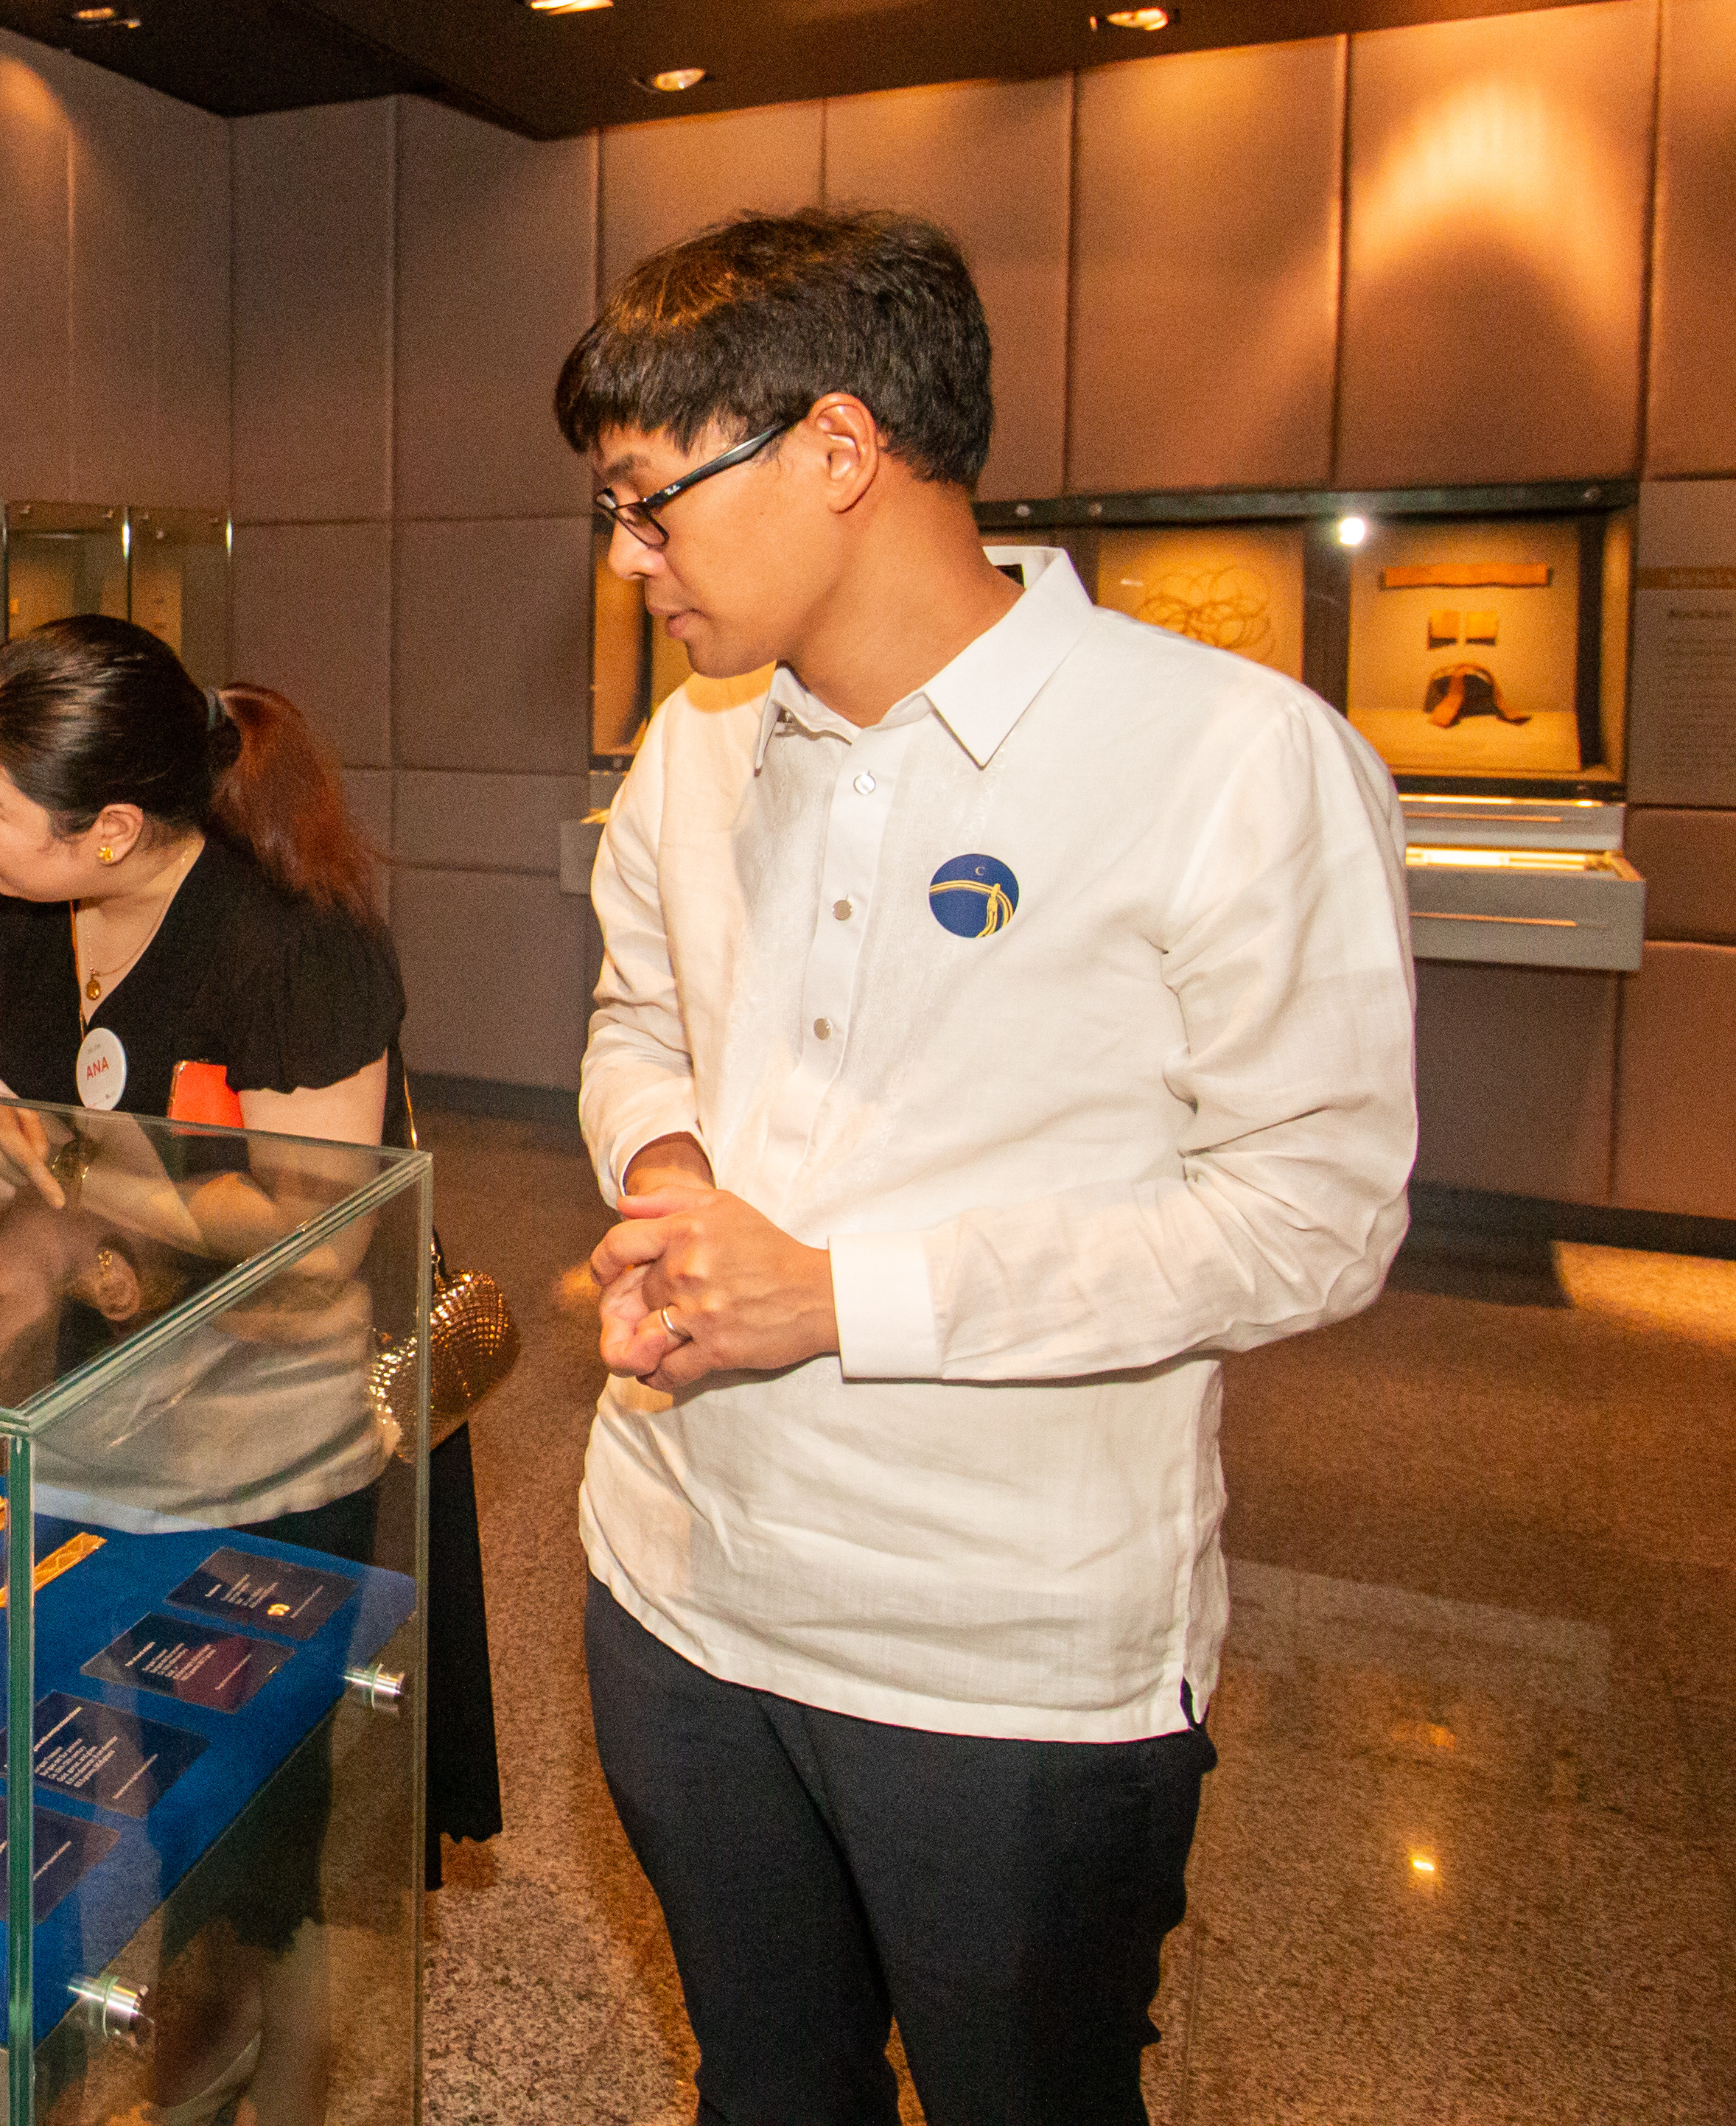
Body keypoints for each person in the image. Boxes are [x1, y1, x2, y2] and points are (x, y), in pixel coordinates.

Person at [561, 208, 1415, 2125]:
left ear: (840, 453)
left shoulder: (1229, 760)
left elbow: (1314, 1212)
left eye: (647, 503)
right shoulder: (692, 752)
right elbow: (634, 1022)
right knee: (770, 2084)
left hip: (1008, 1668)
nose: (627, 564)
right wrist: (674, 1168)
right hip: (676, 1590)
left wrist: (843, 1296)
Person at [0, 616, 502, 2126]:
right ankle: (169, 2022)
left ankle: (269, 2049)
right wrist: (4, 1166)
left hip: (266, 1444)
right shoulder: (3, 891)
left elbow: (312, 1242)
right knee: (91, 1756)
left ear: (112, 829)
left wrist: (86, 1198)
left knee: (256, 1796)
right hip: (82, 1420)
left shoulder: (293, 944)